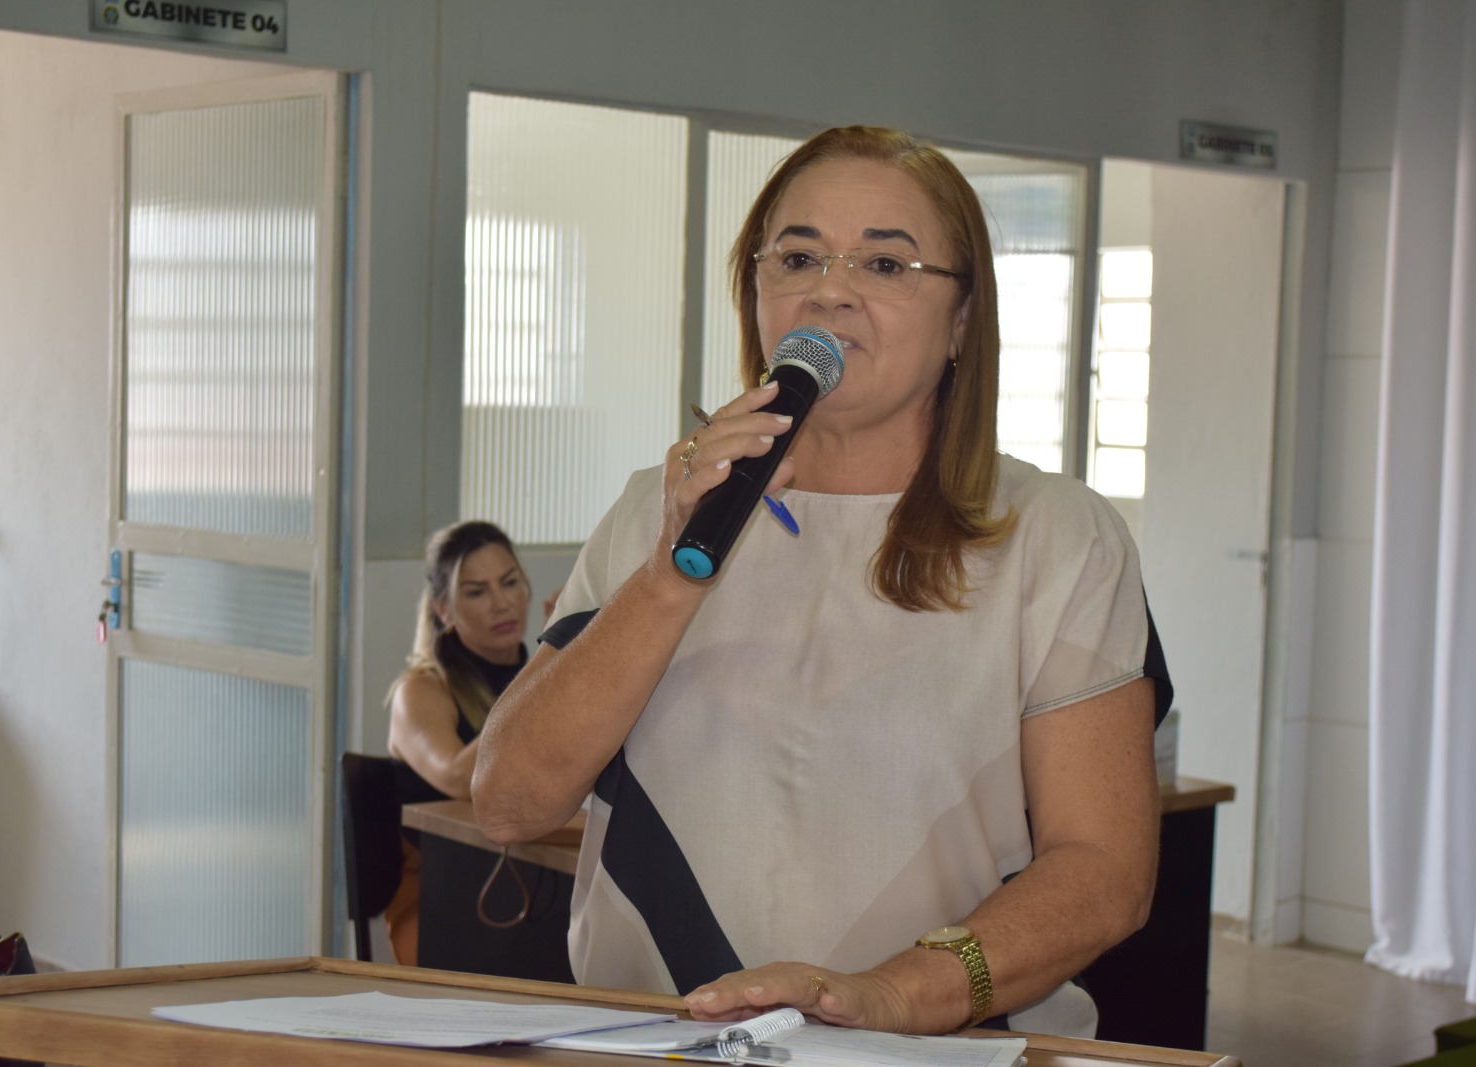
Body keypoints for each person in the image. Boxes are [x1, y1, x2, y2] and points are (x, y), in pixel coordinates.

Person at [471, 126, 1169, 1038]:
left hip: (925, 1049)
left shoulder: (1057, 536)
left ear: (963, 319)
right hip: (656, 1039)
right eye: (798, 257)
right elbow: (510, 803)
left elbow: (1105, 871)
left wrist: (894, 993)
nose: (830, 290)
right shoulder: (660, 508)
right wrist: (670, 578)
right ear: (754, 291)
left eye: (885, 264)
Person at [383, 520, 532, 966]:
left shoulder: (536, 677)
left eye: (510, 582)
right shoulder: (420, 689)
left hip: (534, 873)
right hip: (441, 890)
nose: (501, 602)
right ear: (443, 609)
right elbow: (457, 777)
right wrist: (555, 664)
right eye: (477, 592)